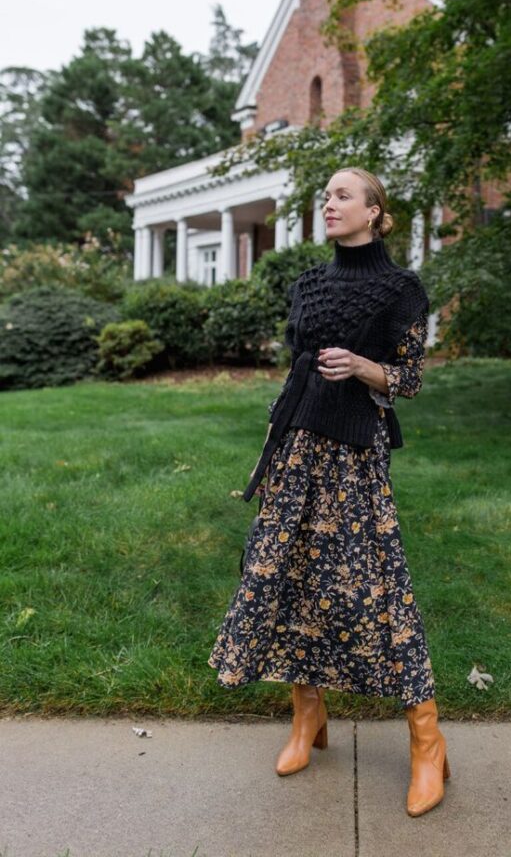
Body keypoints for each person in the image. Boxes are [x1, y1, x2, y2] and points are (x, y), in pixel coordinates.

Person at [208, 167, 450, 817]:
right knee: (287, 581)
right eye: (326, 196)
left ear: (376, 212)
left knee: (374, 588)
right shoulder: (309, 285)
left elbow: (410, 378)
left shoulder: (401, 288)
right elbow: (295, 369)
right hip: (294, 447)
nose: (330, 204)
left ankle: (427, 741)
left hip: (352, 455)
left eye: (343, 195)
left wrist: (365, 368)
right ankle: (305, 718)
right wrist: (269, 452)